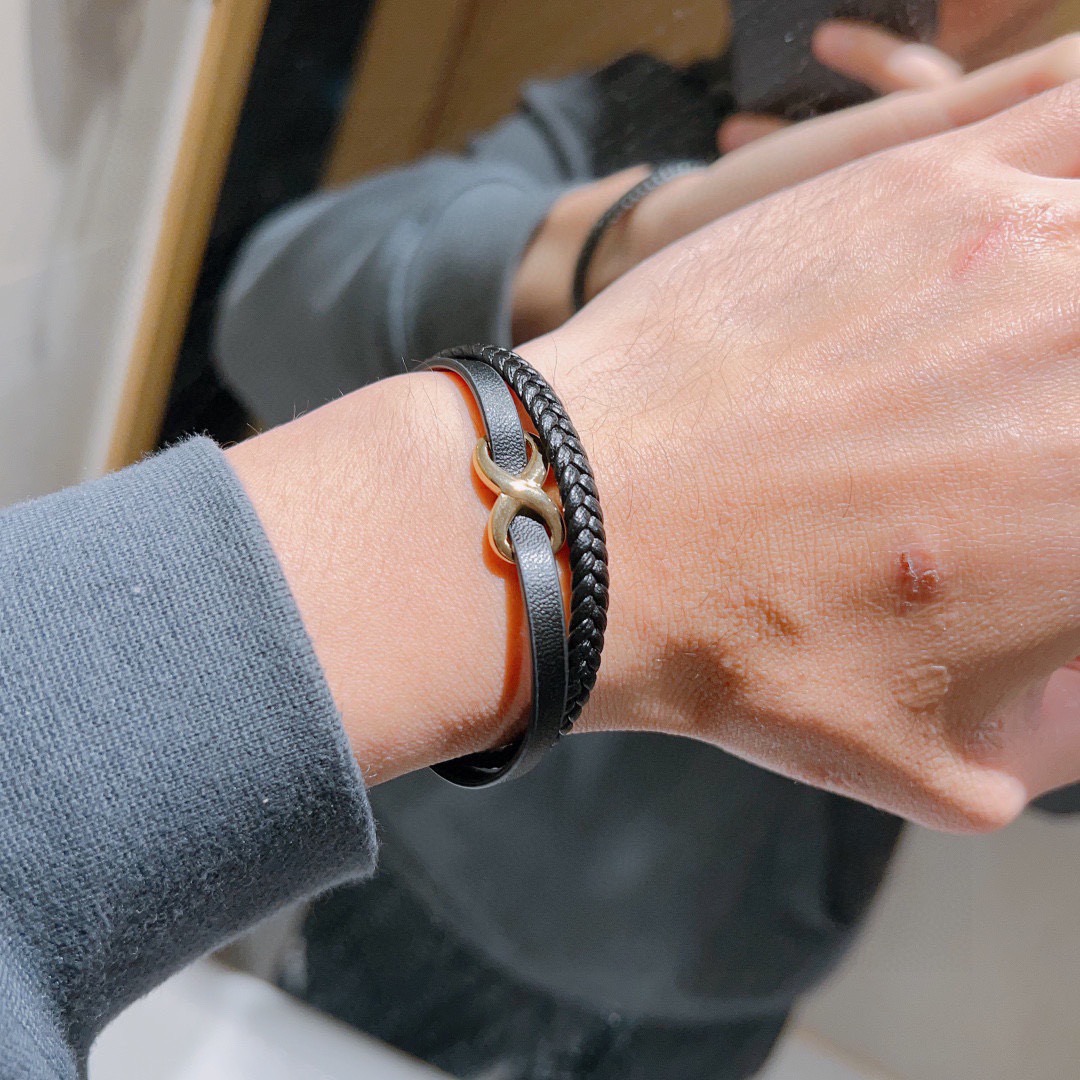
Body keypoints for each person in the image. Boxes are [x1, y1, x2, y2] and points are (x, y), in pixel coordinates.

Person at [2, 45, 1080, 1080]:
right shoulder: (633, 116)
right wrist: (632, 238)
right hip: (426, 891)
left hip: (721, 983)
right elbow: (274, 297)